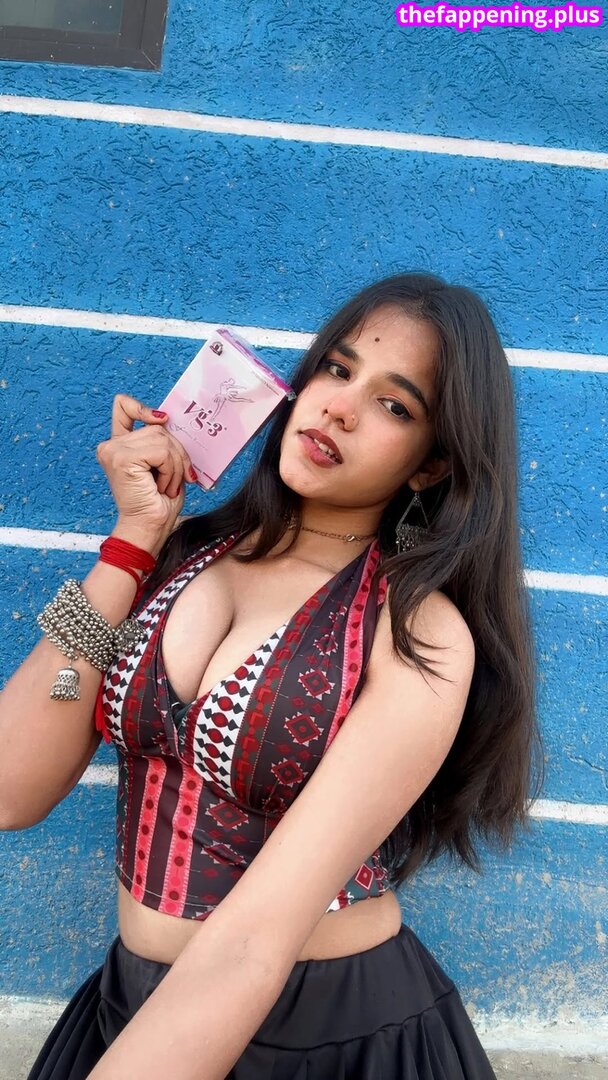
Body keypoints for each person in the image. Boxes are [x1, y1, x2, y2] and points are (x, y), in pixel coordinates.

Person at [1, 272, 543, 1080]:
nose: (340, 408)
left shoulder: (414, 634)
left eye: (394, 406)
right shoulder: (181, 557)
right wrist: (131, 541)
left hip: (328, 1039)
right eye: (337, 369)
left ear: (430, 466)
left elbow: (255, 940)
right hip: (134, 1013)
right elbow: (12, 788)